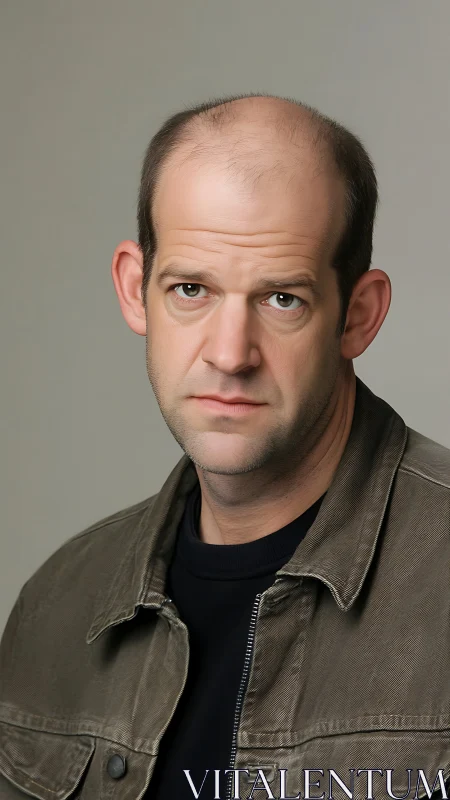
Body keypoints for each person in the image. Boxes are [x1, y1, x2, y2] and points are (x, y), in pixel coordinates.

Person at [1, 93, 450, 800]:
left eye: (281, 299)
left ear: (357, 317)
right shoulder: (58, 605)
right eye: (191, 289)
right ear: (133, 288)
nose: (230, 354)